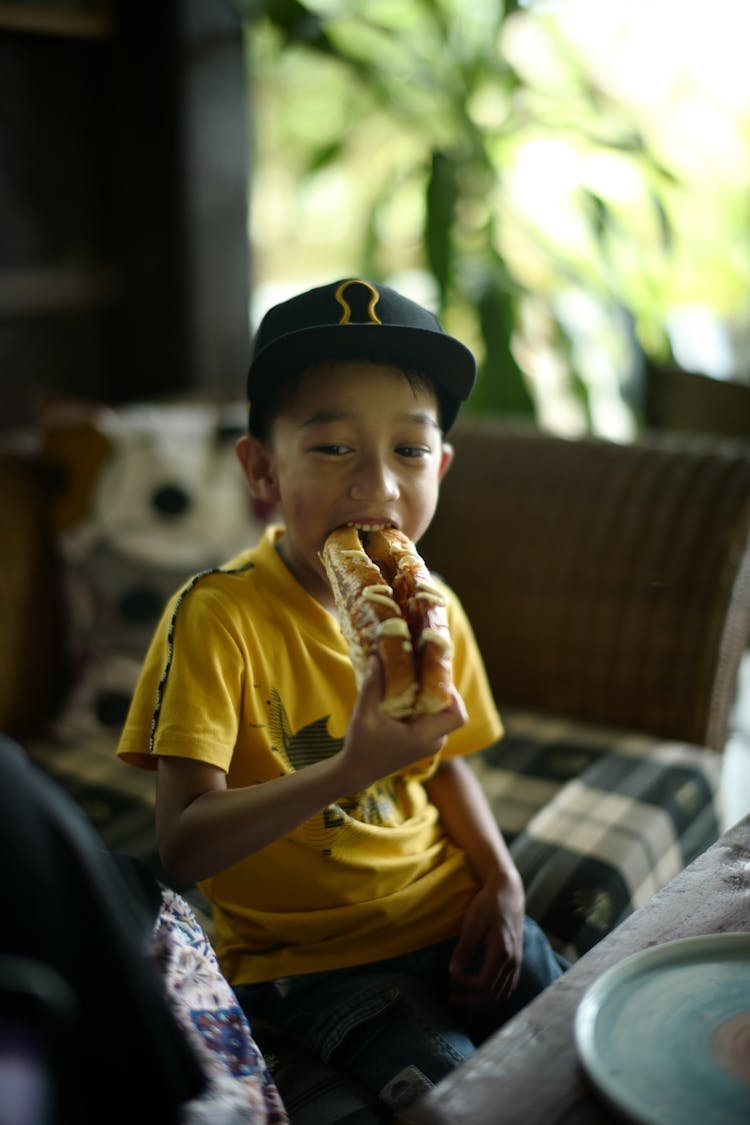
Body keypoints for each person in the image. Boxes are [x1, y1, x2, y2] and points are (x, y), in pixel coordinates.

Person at [117, 277, 567, 1118]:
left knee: (594, 1050)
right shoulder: (217, 615)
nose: (379, 486)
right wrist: (350, 767)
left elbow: (446, 765)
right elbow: (182, 846)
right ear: (262, 469)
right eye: (332, 448)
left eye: (409, 449)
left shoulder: (432, 606)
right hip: (319, 966)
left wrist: (502, 883)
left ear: (442, 465)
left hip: (454, 908)